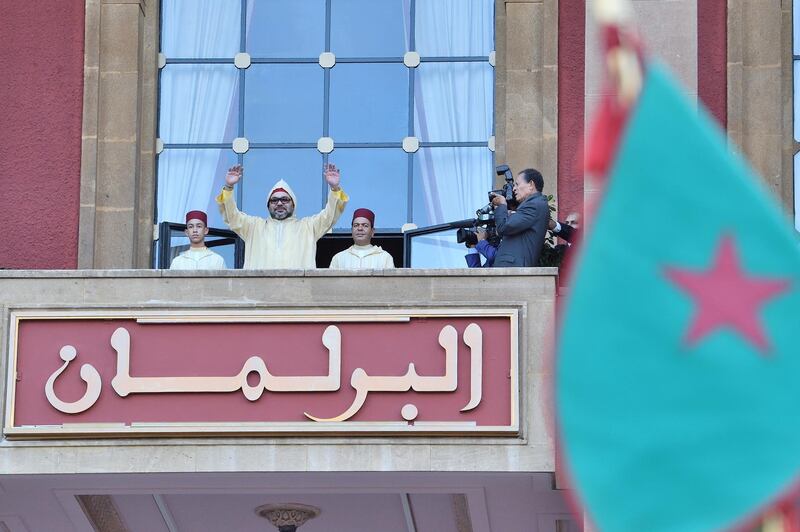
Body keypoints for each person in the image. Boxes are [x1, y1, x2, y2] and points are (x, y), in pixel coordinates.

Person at [216, 163, 348, 269]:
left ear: (293, 204)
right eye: (274, 200)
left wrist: (335, 189)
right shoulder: (253, 227)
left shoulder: (308, 227)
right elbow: (231, 216)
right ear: (268, 205)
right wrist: (228, 188)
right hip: (259, 296)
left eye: (285, 200)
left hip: (297, 296)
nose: (279, 203)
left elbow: (330, 215)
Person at [490, 168, 549, 267]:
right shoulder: (535, 204)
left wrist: (502, 205)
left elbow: (503, 227)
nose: (514, 189)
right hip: (514, 269)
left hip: (515, 270)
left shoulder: (533, 205)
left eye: (517, 184)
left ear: (531, 184)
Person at [329, 208, 395, 269]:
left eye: (365, 225)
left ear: (372, 231)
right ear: (351, 230)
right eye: (356, 225)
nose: (360, 228)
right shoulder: (339, 258)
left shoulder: (385, 258)